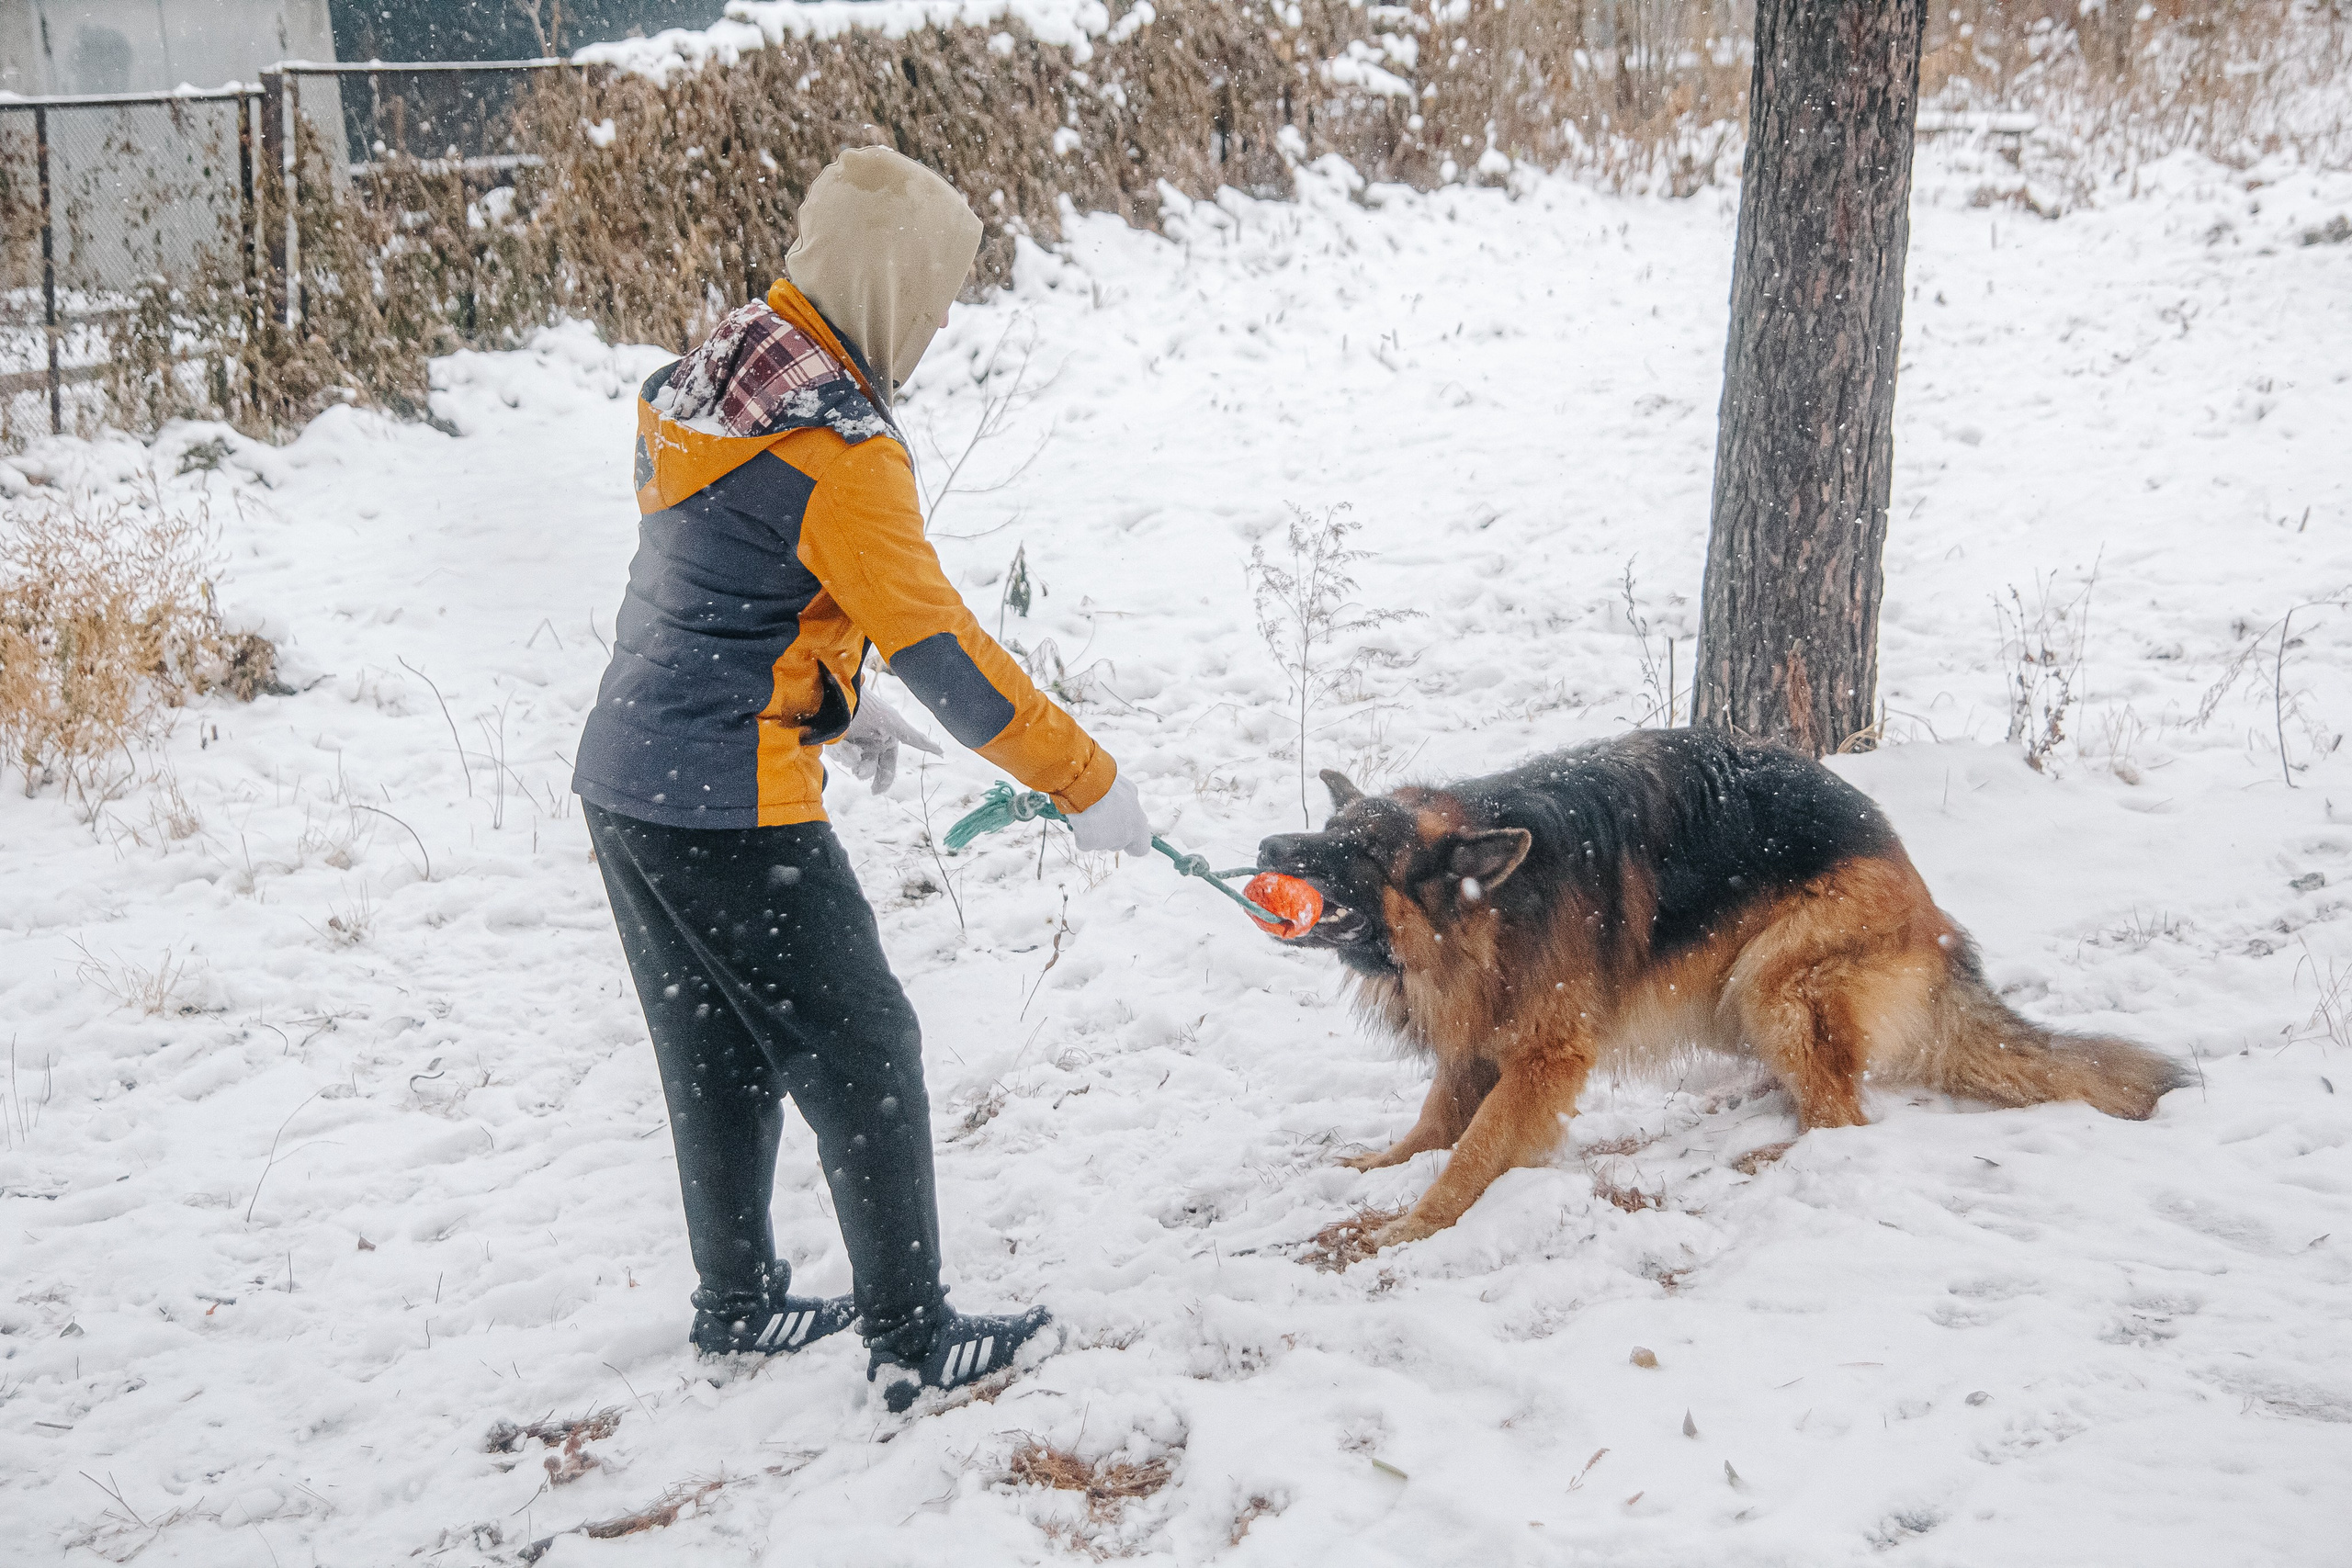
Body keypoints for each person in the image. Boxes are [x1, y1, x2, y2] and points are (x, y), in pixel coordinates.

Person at [571, 146, 1153, 1412]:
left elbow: (717, 585)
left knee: (717, 1050)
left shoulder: (707, 375)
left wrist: (836, 696)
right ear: (891, 287)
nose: (940, 329)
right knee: (864, 1043)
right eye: (938, 301)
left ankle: (739, 1307)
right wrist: (1086, 779)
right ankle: (912, 1339)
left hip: (626, 778)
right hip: (725, 796)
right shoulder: (840, 447)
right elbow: (950, 651)